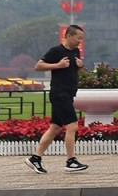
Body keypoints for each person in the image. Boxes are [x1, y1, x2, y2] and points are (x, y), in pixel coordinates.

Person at [27, 24, 89, 173]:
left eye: (82, 38)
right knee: (72, 126)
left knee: (55, 128)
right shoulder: (56, 51)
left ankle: (35, 158)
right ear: (68, 36)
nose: (80, 41)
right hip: (59, 94)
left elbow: (75, 72)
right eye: (78, 37)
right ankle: (71, 161)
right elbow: (38, 66)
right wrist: (58, 65)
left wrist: (80, 66)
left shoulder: (75, 52)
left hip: (68, 93)